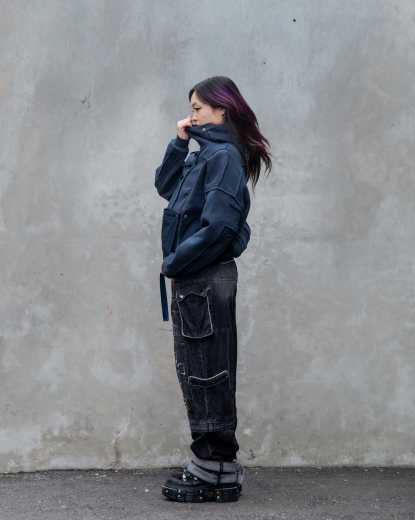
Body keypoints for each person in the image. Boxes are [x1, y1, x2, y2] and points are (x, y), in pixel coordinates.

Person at [154, 76, 272, 503]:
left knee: (206, 371)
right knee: (200, 369)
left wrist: (175, 261)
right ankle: (212, 465)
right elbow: (166, 187)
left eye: (198, 108)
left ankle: (216, 469)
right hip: (197, 279)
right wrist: (179, 142)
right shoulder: (206, 154)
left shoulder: (222, 156)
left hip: (203, 278)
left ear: (222, 110)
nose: (191, 115)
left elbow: (220, 226)